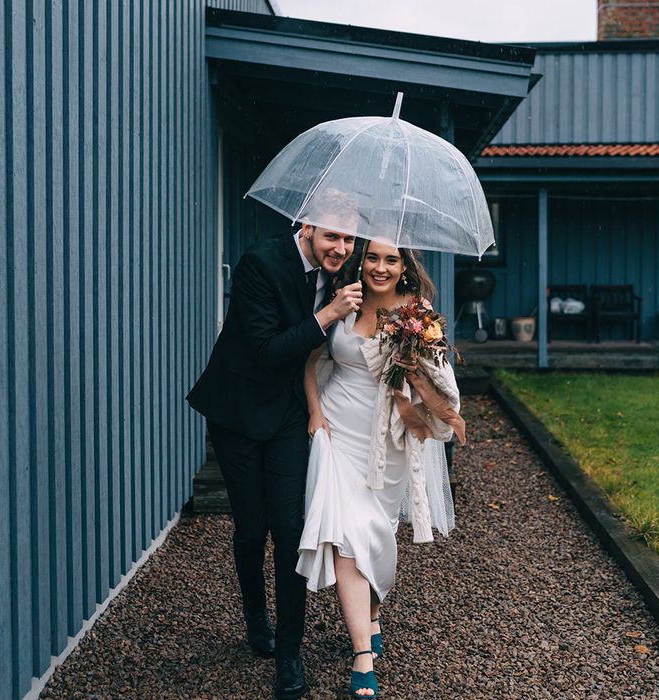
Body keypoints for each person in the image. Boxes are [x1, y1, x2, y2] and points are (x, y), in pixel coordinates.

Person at [187, 190, 363, 700]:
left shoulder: (344, 276)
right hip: (239, 410)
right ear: (305, 227)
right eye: (332, 235)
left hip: (289, 411)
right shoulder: (259, 263)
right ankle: (254, 617)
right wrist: (328, 313)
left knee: (290, 530)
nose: (341, 247)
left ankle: (290, 655)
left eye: (348, 238)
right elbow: (266, 351)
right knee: (251, 528)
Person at [296, 239, 464, 698]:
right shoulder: (342, 297)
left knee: (377, 535)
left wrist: (414, 376)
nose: (380, 267)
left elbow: (442, 382)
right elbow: (311, 359)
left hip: (386, 444)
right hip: (336, 436)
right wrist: (315, 413)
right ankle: (362, 656)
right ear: (361, 261)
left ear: (405, 266)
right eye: (372, 257)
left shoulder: (417, 314)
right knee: (346, 540)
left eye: (391, 259)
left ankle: (371, 613)